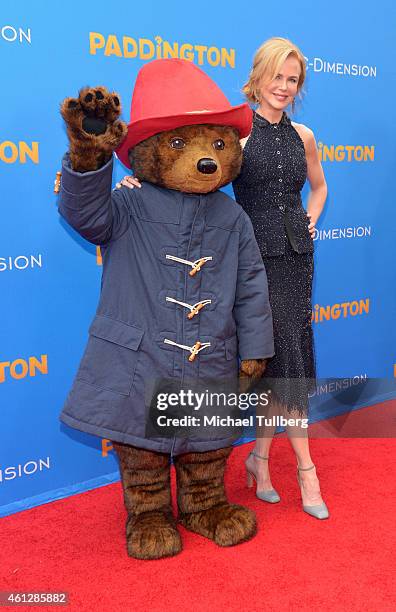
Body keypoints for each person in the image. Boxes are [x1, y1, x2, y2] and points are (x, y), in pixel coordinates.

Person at [116, 37, 329, 519]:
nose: (284, 87)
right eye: (276, 76)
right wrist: (135, 182)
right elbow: (195, 179)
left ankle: (259, 460)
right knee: (280, 365)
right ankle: (305, 470)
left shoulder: (306, 137)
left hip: (298, 259)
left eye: (292, 80)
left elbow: (319, 187)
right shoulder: (237, 138)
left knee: (285, 366)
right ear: (257, 78)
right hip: (253, 262)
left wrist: (310, 218)